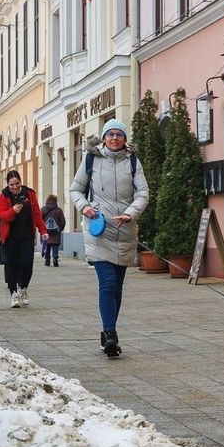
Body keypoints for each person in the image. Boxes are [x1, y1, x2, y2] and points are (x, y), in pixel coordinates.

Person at [69, 119, 149, 358]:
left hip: (125, 231)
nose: (114, 138)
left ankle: (108, 334)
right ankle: (110, 332)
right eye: (110, 134)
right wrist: (85, 207)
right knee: (108, 283)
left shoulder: (133, 162)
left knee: (118, 286)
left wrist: (130, 213)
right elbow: (75, 189)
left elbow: (143, 193)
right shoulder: (91, 159)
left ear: (124, 138)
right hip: (99, 232)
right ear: (103, 138)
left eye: (119, 134)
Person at [0, 170, 47, 309]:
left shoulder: (29, 193)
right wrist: (13, 211)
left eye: (17, 183)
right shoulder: (4, 195)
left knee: (27, 264)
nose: (15, 187)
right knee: (11, 266)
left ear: (20, 181)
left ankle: (23, 288)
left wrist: (43, 231)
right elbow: (1, 214)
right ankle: (13, 294)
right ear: (8, 184)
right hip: (10, 237)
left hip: (27, 236)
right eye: (12, 184)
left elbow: (36, 214)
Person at [41, 194, 66, 267]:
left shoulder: (43, 209)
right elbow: (63, 221)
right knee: (55, 245)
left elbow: (39, 220)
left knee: (47, 245)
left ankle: (47, 260)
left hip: (45, 232)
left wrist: (41, 230)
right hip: (56, 232)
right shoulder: (59, 210)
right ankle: (55, 258)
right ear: (55, 201)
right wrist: (60, 229)